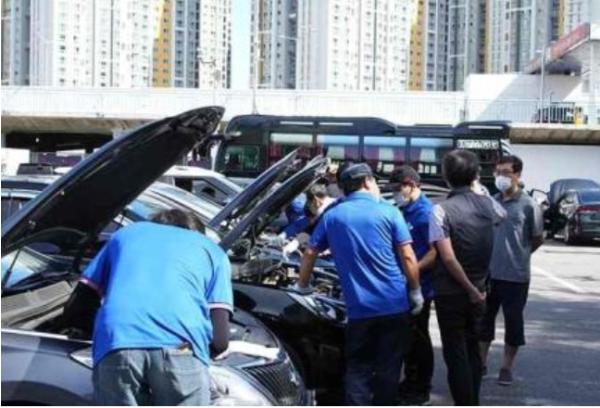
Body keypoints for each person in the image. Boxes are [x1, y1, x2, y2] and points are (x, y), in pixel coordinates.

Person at [63, 209, 233, 405]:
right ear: (196, 233)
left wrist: (88, 331)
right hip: (182, 348)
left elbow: (79, 303)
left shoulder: (126, 235)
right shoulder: (213, 251)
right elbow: (220, 341)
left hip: (118, 343)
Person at [295, 163, 424, 406]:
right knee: (389, 368)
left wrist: (302, 286)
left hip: (359, 310)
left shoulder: (333, 216)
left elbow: (310, 252)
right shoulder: (389, 212)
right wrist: (415, 291)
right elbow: (408, 256)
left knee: (358, 369)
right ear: (367, 182)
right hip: (394, 305)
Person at [429, 150, 506, 406]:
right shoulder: (488, 205)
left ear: (445, 176)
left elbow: (448, 258)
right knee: (473, 349)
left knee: (456, 353)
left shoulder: (440, 210)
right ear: (475, 175)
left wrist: (469, 289)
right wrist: (478, 188)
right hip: (481, 288)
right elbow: (502, 215)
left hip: (450, 292)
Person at [479, 155, 544, 386]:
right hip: (489, 274)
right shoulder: (492, 201)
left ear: (518, 174)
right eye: (498, 172)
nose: (501, 177)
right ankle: (481, 363)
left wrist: (520, 254)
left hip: (516, 276)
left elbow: (536, 238)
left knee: (513, 323)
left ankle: (506, 367)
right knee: (484, 321)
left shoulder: (529, 205)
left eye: (506, 172)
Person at [390, 166, 437, 406]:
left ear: (411, 185)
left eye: (398, 189)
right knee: (407, 340)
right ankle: (410, 382)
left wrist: (412, 271)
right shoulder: (404, 209)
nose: (396, 194)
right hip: (403, 284)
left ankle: (420, 388)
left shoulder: (425, 213)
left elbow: (434, 252)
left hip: (421, 285)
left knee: (418, 339)